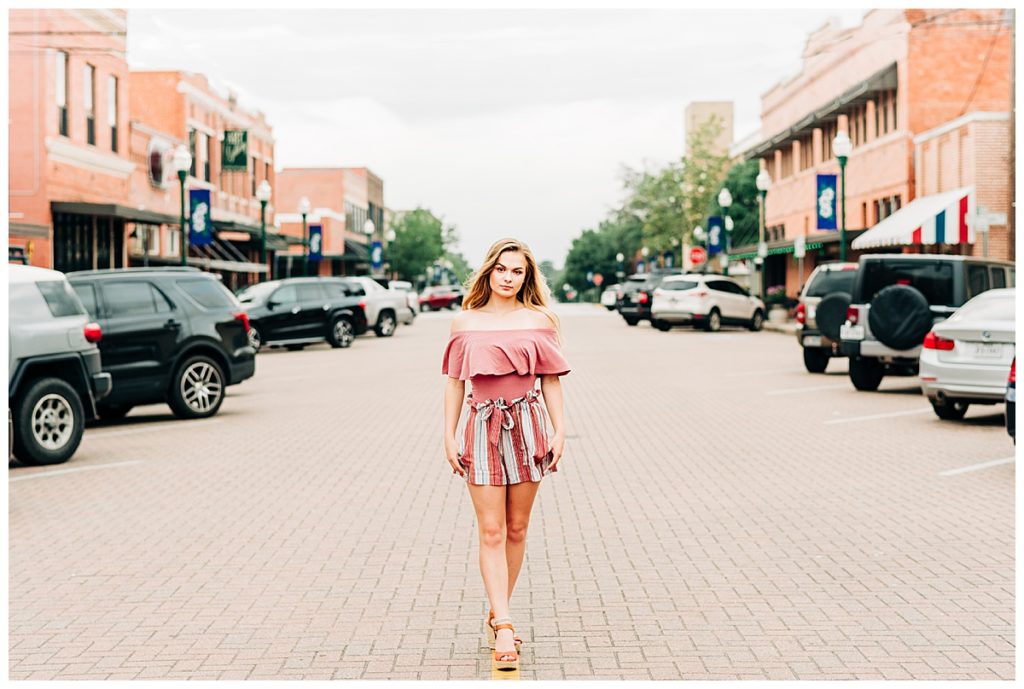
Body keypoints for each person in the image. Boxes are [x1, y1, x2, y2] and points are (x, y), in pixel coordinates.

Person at [440, 238, 570, 671]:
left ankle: (499, 610)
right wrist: (449, 433)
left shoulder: (539, 320)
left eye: (517, 271)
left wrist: (559, 430)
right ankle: (506, 627)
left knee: (517, 528)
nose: (509, 278)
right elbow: (456, 381)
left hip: (528, 425)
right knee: (491, 531)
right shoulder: (465, 322)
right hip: (480, 427)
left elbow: (551, 379)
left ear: (526, 277)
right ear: (489, 272)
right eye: (502, 269)